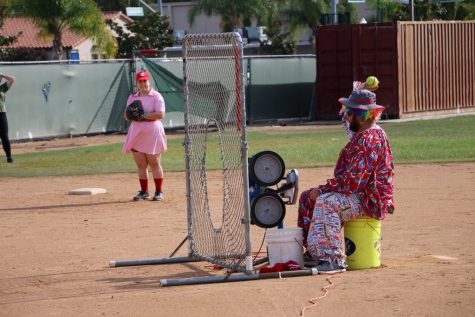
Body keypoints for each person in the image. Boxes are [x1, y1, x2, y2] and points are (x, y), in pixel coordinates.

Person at [297, 89, 395, 274]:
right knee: (307, 198)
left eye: (350, 113)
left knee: (328, 202)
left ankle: (332, 259)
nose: (346, 117)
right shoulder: (365, 131)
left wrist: (323, 189)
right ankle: (314, 253)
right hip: (361, 194)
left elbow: (352, 183)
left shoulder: (369, 140)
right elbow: (347, 122)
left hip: (369, 200)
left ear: (362, 116)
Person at [123, 70, 167, 201]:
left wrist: (144, 115)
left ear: (149, 81)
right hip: (136, 133)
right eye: (140, 81)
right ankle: (144, 192)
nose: (143, 84)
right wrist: (130, 114)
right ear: (137, 83)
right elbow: (126, 116)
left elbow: (161, 114)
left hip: (153, 133)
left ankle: (159, 191)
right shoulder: (132, 97)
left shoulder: (156, 96)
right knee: (141, 165)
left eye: (145, 81)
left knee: (154, 163)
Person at [0, 72, 16, 163]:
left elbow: (12, 79)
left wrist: (1, 74)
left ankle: (9, 157)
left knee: (4, 136)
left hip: (1, 114)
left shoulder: (2, 88)